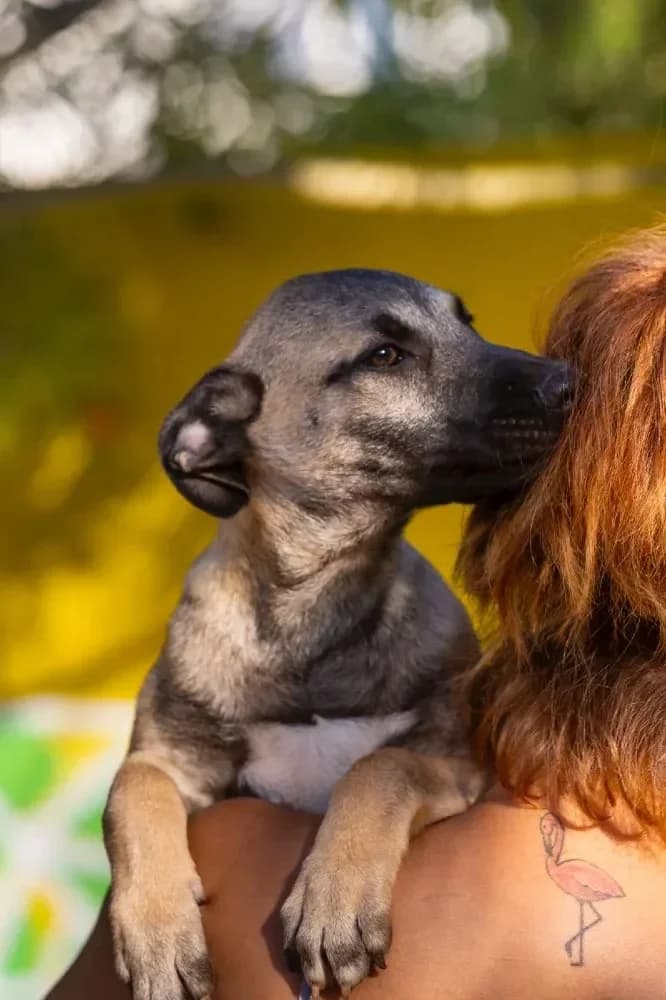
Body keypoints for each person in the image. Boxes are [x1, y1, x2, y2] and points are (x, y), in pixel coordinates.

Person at [49, 228, 666, 1000]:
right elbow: (158, 771)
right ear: (218, 441)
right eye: (387, 357)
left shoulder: (231, 856)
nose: (550, 384)